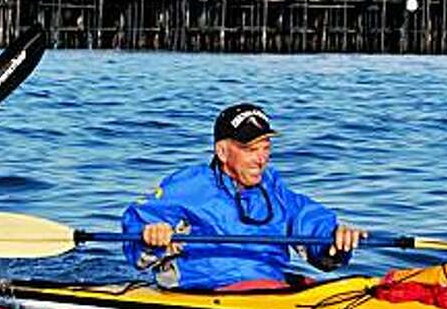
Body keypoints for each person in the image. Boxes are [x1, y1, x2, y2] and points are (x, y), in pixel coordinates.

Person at [122, 103, 364, 290]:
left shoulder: (274, 189)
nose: (261, 159)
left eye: (266, 148)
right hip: (203, 293)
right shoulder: (189, 185)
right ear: (222, 151)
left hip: (269, 293)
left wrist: (334, 238)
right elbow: (139, 223)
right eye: (250, 150)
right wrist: (150, 235)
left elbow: (309, 219)